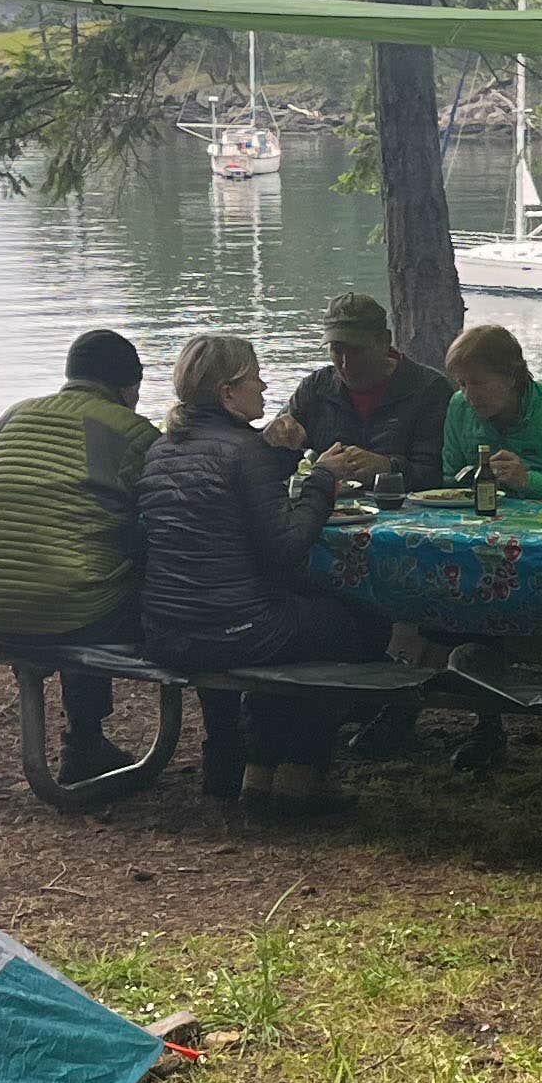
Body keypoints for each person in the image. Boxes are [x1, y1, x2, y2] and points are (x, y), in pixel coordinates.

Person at [136, 334, 397, 816]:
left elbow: (230, 505)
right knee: (353, 625)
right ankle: (299, 776)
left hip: (168, 630)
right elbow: (286, 548)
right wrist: (322, 478)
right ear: (227, 392)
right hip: (230, 628)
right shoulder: (242, 450)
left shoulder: (162, 449)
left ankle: (256, 771)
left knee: (296, 621)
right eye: (254, 375)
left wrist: (279, 458)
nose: (264, 384)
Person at [0, 327, 159, 782]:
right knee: (109, 582)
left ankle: (85, 740)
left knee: (81, 564)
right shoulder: (132, 432)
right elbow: (161, 521)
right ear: (130, 388)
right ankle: (86, 741)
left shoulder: (14, 416)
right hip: (74, 609)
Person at [277, 291, 455, 493]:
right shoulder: (315, 388)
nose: (345, 362)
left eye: (356, 350)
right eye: (336, 349)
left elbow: (440, 476)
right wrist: (274, 439)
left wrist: (388, 467)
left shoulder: (429, 390)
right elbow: (274, 465)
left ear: (384, 341)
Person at [439, 322, 542, 500]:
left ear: (511, 377)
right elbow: (451, 481)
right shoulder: (460, 407)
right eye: (462, 384)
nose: (468, 395)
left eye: (478, 383)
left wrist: (527, 481)